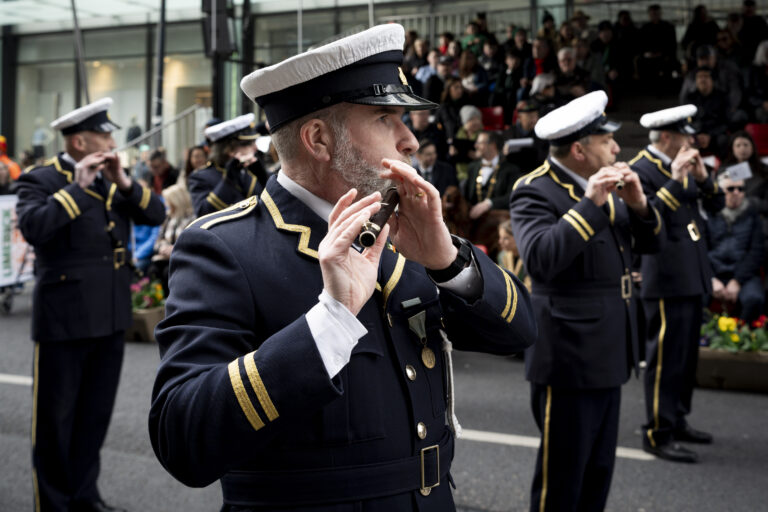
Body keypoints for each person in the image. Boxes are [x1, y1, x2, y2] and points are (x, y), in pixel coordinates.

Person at [148, 24, 536, 511]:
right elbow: (182, 442)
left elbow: (520, 333)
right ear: (318, 140)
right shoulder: (224, 247)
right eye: (385, 118)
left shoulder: (402, 228)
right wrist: (328, 323)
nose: (409, 140)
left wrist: (446, 261)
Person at [509, 90, 664, 511]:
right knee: (563, 477)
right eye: (606, 140)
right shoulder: (535, 190)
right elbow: (541, 261)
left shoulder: (608, 186)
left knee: (597, 474)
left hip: (609, 346)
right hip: (569, 354)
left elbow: (652, 245)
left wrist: (639, 205)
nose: (617, 148)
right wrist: (591, 202)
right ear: (579, 149)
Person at [14, 97, 165, 512]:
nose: (111, 141)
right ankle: (53, 503)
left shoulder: (113, 178)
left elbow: (156, 214)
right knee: (55, 421)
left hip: (111, 312)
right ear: (80, 141)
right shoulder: (42, 179)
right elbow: (34, 228)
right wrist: (75, 189)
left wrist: (129, 184)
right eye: (103, 134)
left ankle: (84, 497)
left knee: (93, 416)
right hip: (64, 317)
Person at [629, 104, 724, 463]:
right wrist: (674, 177)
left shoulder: (684, 166)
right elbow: (647, 218)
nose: (693, 141)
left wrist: (701, 177)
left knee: (686, 359)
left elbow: (713, 204)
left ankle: (678, 419)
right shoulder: (642, 168)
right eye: (686, 135)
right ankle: (657, 431)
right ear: (666, 137)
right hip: (666, 276)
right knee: (665, 359)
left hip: (692, 271)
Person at [707, 174, 765, 322]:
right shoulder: (708, 215)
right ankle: (706, 337)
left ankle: (742, 336)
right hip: (713, 273)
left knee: (754, 298)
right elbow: (700, 250)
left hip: (743, 274)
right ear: (720, 191)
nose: (736, 192)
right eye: (731, 189)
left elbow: (756, 252)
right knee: (693, 298)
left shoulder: (753, 216)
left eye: (741, 189)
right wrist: (711, 278)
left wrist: (737, 280)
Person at [187, 113, 268, 216]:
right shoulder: (200, 177)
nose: (255, 148)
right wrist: (229, 180)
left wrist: (263, 177)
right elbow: (203, 213)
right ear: (229, 150)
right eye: (248, 144)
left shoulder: (252, 170)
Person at [147, 184, 196, 296]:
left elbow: (192, 243)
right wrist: (163, 248)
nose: (167, 204)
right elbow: (158, 240)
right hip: (164, 258)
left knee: (168, 273)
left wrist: (174, 249)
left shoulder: (192, 219)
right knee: (152, 271)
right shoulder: (168, 217)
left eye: (169, 201)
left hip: (182, 258)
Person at [463, 130, 521, 220]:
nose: (476, 146)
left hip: (498, 221)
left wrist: (489, 203)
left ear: (493, 145)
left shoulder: (511, 170)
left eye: (480, 143)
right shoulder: (472, 168)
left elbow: (511, 197)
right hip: (473, 222)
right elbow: (466, 196)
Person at [682, 67, 730, 157]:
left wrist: (709, 135)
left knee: (723, 140)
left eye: (706, 76)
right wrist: (697, 134)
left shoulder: (722, 97)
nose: (702, 80)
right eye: (699, 77)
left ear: (712, 80)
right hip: (696, 134)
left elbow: (726, 121)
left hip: (715, 135)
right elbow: (686, 121)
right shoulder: (689, 98)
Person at [502, 99, 549, 175]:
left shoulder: (542, 134)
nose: (534, 120)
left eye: (536, 116)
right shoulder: (509, 133)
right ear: (519, 117)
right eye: (530, 116)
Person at [450, 105, 484, 181]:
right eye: (472, 119)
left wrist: (479, 156)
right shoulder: (457, 134)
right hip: (457, 172)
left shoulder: (483, 135)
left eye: (477, 119)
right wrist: (451, 153)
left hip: (478, 172)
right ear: (465, 122)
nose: (476, 122)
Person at [497, 220, 530, 291]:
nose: (500, 242)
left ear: (517, 237)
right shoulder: (503, 256)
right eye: (500, 237)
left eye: (505, 238)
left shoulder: (529, 256)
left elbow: (530, 286)